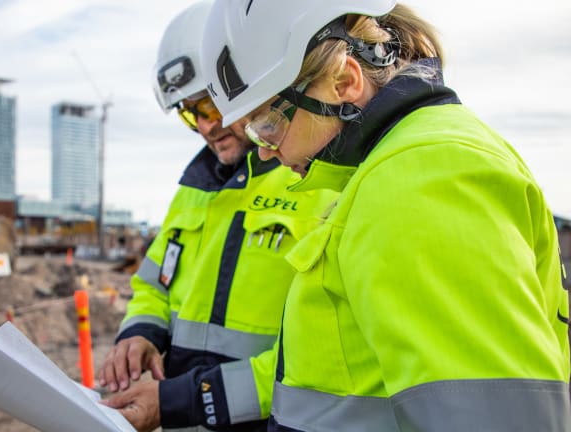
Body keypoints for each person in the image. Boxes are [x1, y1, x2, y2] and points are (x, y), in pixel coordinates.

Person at [199, 0, 571, 430]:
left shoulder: (422, 178)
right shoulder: (398, 168)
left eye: (266, 124)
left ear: (344, 80)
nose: (264, 150)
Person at [98, 2, 339, 431]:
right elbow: (154, 285)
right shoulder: (193, 190)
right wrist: (141, 334)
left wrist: (185, 400)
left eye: (211, 106)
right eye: (191, 115)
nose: (207, 127)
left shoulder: (318, 183)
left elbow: (329, 354)